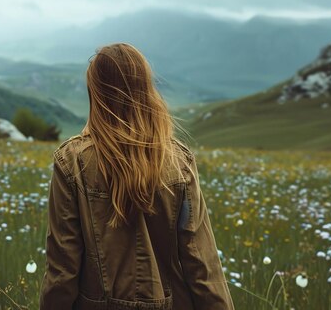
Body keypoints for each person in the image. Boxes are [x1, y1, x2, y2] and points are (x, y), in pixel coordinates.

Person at [40, 43, 234, 310]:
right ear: (145, 89)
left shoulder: (72, 161)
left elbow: (63, 268)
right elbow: (201, 261)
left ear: (95, 93)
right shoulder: (179, 161)